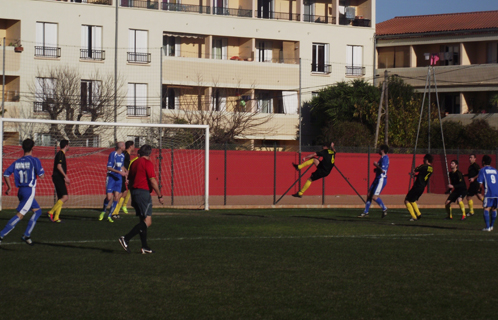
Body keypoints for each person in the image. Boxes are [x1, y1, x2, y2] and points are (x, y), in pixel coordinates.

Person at [119, 145, 164, 254]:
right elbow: (152, 181)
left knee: (142, 220)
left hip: (134, 192)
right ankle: (126, 238)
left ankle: (144, 247)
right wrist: (159, 195)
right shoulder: (147, 163)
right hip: (143, 193)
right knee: (147, 221)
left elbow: (129, 179)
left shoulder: (134, 163)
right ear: (150, 153)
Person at [0, 139, 45, 246]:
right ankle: (1, 235)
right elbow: (42, 176)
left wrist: (9, 187)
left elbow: (6, 174)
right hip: (29, 191)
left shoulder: (17, 161)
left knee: (38, 211)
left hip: (20, 191)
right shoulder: (35, 160)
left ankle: (26, 235)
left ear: (22, 148)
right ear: (33, 148)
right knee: (20, 215)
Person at [359, 144, 389, 218]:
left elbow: (383, 170)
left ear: (382, 150)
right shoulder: (382, 158)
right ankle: (366, 212)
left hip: (381, 179)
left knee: (374, 197)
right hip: (377, 178)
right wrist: (376, 169)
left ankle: (384, 208)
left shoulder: (385, 158)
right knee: (369, 194)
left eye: (379, 149)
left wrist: (376, 165)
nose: (378, 150)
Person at [100, 142, 126, 223]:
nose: (125, 146)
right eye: (124, 145)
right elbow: (109, 167)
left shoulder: (122, 156)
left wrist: (126, 172)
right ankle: (104, 211)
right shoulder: (113, 154)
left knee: (116, 197)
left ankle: (109, 215)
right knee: (108, 197)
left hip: (118, 179)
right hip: (111, 177)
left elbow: (121, 166)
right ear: (121, 147)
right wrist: (119, 172)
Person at [110, 140, 135, 218]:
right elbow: (121, 165)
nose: (134, 147)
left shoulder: (126, 155)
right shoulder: (125, 155)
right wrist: (125, 175)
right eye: (133, 146)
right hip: (120, 176)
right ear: (131, 146)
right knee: (120, 194)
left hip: (123, 175)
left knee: (123, 193)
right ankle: (113, 212)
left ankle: (116, 212)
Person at [405, 154, 433, 221]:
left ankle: (414, 217)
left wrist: (417, 168)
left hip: (417, 185)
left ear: (427, 159)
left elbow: (415, 169)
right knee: (412, 200)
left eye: (424, 159)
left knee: (407, 200)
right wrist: (417, 176)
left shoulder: (424, 166)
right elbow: (423, 176)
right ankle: (418, 214)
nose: (423, 160)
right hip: (422, 187)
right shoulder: (431, 168)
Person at [47, 139, 70, 223]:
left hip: (59, 178)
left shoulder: (61, 154)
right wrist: (65, 176)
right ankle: (51, 212)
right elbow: (59, 166)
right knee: (65, 197)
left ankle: (56, 217)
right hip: (58, 178)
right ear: (66, 146)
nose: (69, 146)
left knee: (61, 198)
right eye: (68, 145)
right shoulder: (60, 154)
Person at [477, 155, 498, 231]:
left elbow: (480, 183)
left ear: (483, 162)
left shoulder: (482, 170)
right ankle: (491, 226)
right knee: (494, 208)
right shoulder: (495, 170)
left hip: (489, 192)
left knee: (486, 208)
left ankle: (487, 227)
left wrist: (479, 190)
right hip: (496, 192)